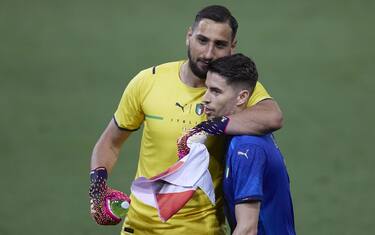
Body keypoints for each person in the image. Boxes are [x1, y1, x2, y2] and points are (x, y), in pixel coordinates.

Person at [89, 5, 284, 235]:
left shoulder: (234, 90)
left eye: (220, 44)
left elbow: (273, 116)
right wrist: (98, 187)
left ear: (232, 47)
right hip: (138, 228)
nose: (208, 53)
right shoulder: (148, 81)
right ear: (188, 36)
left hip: (200, 229)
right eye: (202, 40)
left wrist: (214, 125)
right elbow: (111, 142)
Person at [200, 53, 295, 235]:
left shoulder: (246, 147)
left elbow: (247, 229)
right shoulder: (244, 135)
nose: (205, 98)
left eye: (216, 91)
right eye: (207, 88)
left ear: (242, 97)